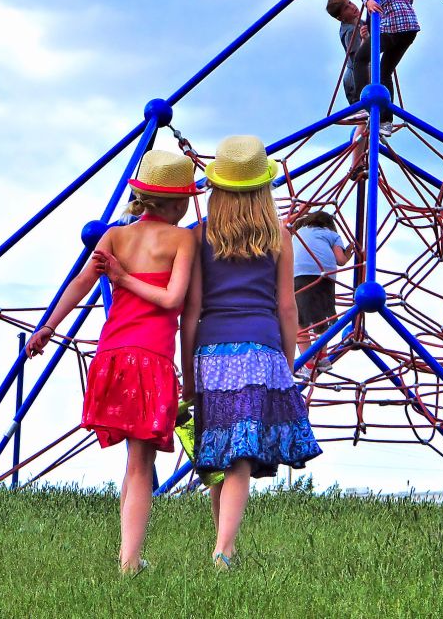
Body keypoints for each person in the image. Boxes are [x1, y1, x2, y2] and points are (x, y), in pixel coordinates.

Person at [25, 150, 201, 573]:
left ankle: (131, 557)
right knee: (142, 466)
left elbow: (80, 283)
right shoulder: (182, 240)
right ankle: (128, 561)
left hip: (111, 356)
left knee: (132, 466)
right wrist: (123, 279)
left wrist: (47, 327)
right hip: (149, 359)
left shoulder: (115, 237)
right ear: (177, 204)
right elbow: (174, 300)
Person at [180, 135, 322, 571]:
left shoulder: (200, 236)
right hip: (260, 351)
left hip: (211, 351)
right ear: (264, 189)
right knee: (240, 453)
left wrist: (188, 371)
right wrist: (289, 360)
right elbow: (286, 305)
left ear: (216, 188)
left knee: (219, 448)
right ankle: (224, 550)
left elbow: (193, 309)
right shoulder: (279, 235)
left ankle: (222, 544)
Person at [342, 0, 420, 136]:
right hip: (410, 27)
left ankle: (362, 106)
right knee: (385, 72)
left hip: (392, 27)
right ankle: (386, 122)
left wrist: (369, 1)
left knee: (361, 59)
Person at [292, 210, 355, 379]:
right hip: (326, 276)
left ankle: (308, 363)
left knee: (300, 322)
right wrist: (350, 250)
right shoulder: (332, 234)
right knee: (323, 318)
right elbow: (341, 260)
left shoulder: (298, 233)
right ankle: (323, 357)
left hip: (300, 274)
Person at [325, 0, 370, 112]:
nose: (352, 6)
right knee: (364, 114)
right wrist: (364, 39)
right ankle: (360, 131)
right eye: (346, 8)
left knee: (370, 114)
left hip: (364, 73)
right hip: (355, 79)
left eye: (349, 2)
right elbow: (357, 59)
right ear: (340, 17)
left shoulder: (359, 22)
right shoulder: (350, 32)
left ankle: (366, 130)